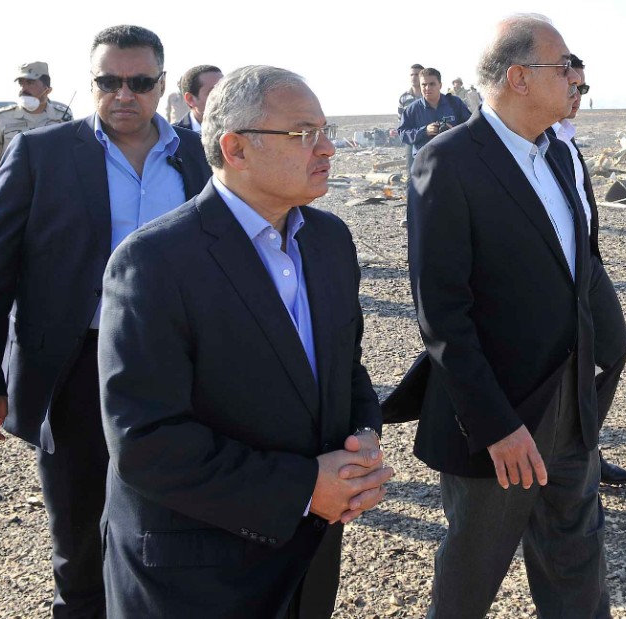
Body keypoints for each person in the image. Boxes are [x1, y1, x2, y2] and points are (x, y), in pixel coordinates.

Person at [98, 64, 391, 618]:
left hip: (308, 556)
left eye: (326, 131)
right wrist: (304, 488)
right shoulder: (154, 261)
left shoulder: (329, 240)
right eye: (305, 134)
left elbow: (344, 369)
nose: (328, 148)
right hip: (197, 571)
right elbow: (146, 441)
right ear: (235, 148)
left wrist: (361, 440)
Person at [0, 25, 211, 617]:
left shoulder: (199, 158)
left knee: (182, 518)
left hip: (187, 368)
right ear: (91, 83)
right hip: (76, 370)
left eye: (140, 83)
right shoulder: (42, 154)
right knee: (79, 533)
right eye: (109, 82)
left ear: (161, 85)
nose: (125, 94)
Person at [397, 14, 610, 617]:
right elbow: (442, 314)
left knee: (577, 560)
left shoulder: (563, 157)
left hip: (570, 409)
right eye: (563, 65)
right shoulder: (450, 162)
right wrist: (495, 425)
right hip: (499, 419)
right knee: (472, 573)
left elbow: (581, 274)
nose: (575, 78)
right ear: (518, 77)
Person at [550, 54, 626, 486]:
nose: (577, 97)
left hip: (587, 264)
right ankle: (575, 456)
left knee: (614, 348)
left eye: (582, 89)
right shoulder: (530, 142)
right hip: (552, 276)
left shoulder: (567, 137)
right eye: (571, 87)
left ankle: (585, 444)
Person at [0, 62, 73, 215]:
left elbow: (71, 162)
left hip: (51, 199)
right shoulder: (2, 119)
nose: (23, 89)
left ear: (47, 89)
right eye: (21, 83)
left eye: (30, 83)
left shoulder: (62, 117)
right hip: (11, 199)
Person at [397, 67, 471, 162]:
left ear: (440, 85)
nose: (427, 88)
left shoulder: (455, 104)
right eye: (424, 85)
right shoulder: (412, 110)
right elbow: (403, 134)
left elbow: (471, 126)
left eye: (432, 84)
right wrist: (424, 131)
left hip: (452, 159)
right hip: (425, 162)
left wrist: (454, 131)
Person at [173, 64, 222, 134]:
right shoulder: (172, 137)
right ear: (190, 99)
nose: (223, 97)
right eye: (213, 93)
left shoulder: (238, 131)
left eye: (225, 91)